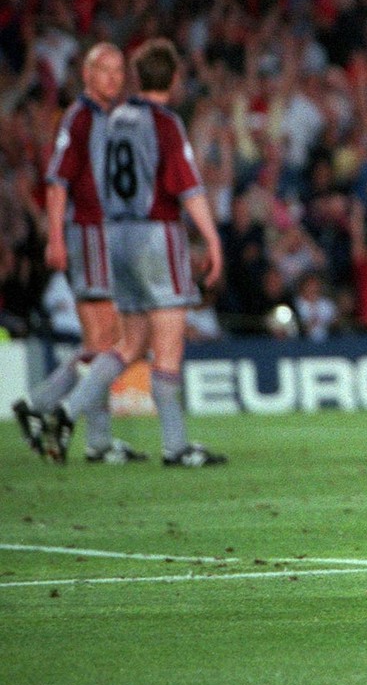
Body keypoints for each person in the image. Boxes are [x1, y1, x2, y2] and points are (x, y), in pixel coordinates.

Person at [39, 39, 228, 467]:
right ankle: (176, 447)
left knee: (130, 344)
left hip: (114, 236)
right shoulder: (165, 124)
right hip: (156, 234)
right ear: (175, 79)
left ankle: (64, 412)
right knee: (168, 347)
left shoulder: (110, 118)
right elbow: (188, 187)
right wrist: (212, 239)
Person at [12, 42, 147, 465]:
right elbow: (57, 181)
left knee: (101, 342)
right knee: (114, 340)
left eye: (118, 70)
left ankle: (43, 407)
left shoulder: (104, 118)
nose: (112, 77)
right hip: (87, 235)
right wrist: (54, 236)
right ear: (87, 75)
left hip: (100, 234)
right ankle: (82, 430)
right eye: (103, 70)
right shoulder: (82, 117)